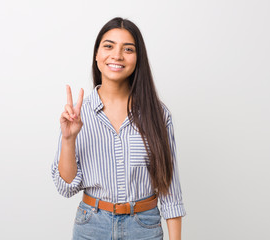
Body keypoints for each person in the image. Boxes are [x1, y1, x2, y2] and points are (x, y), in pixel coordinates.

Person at [51, 17, 186, 240]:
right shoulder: (77, 115)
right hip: (91, 226)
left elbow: (170, 188)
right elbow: (66, 187)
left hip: (144, 226)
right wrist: (68, 139)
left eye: (128, 49)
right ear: (97, 54)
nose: (117, 55)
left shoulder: (158, 114)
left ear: (138, 58)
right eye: (109, 46)